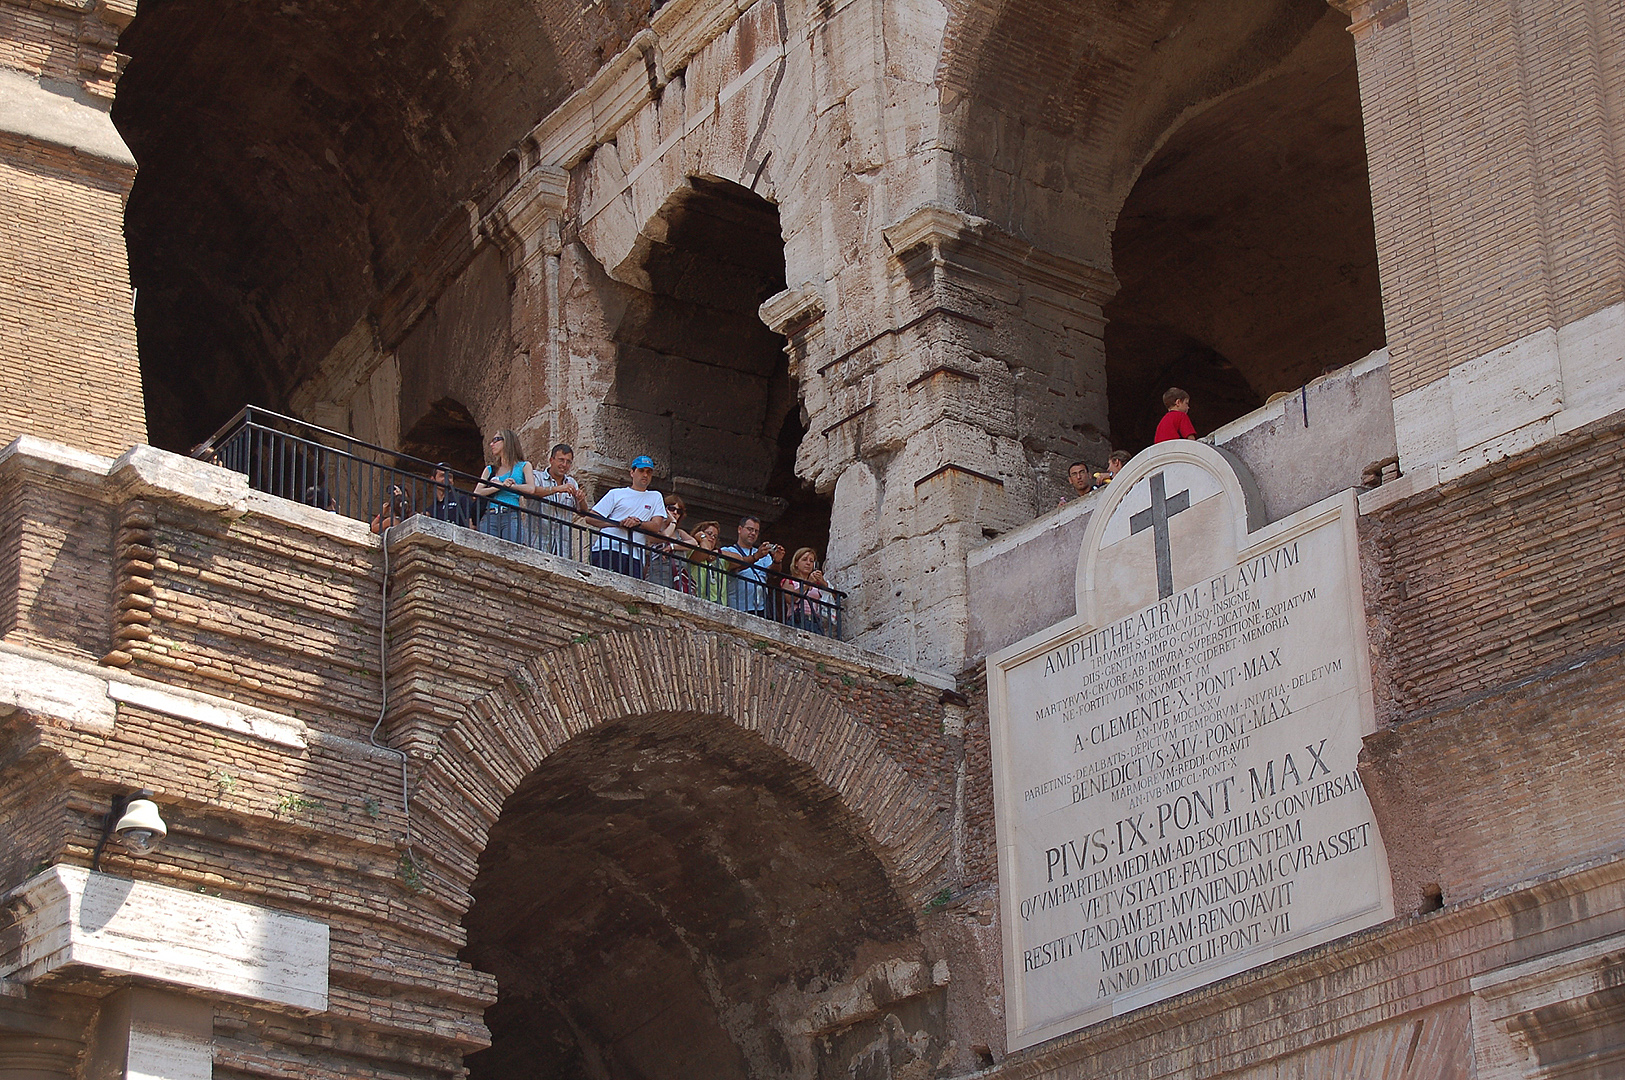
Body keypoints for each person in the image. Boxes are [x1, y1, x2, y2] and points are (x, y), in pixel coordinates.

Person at [587, 455, 666, 578]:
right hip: (608, 548)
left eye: (649, 472)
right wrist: (619, 523)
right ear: (632, 472)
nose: (645, 475)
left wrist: (639, 523)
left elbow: (656, 526)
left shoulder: (655, 496)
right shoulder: (616, 493)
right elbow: (590, 517)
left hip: (634, 554)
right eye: (641, 471)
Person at [474, 429, 537, 544]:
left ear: (507, 441)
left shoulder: (524, 466)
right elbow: (477, 492)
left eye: (496, 440)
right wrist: (499, 487)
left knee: (511, 552)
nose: (491, 444)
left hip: (511, 514)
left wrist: (511, 486)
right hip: (490, 515)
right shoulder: (490, 469)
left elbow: (531, 488)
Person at [722, 516, 782, 617]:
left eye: (756, 531)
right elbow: (735, 565)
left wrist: (777, 561)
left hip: (761, 608)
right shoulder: (728, 551)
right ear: (740, 529)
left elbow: (773, 574)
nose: (753, 533)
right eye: (750, 529)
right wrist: (756, 556)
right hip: (738, 606)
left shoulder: (764, 554)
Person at [532, 443, 584, 557]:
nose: (564, 465)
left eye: (568, 462)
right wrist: (557, 489)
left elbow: (582, 512)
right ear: (551, 460)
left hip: (562, 546)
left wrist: (581, 499)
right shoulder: (537, 476)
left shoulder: (572, 482)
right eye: (561, 460)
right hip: (538, 541)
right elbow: (533, 491)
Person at [648, 495, 696, 592]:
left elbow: (694, 543)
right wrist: (672, 523)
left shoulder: (679, 533)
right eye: (672, 509)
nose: (675, 513)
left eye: (679, 511)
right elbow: (664, 536)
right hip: (658, 573)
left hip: (677, 577)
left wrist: (672, 546)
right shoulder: (655, 528)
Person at [780, 547, 831, 634]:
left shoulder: (817, 585)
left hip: (815, 621)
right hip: (797, 619)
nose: (808, 563)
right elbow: (790, 599)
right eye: (804, 559)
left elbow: (833, 598)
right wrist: (808, 584)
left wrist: (823, 582)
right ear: (796, 563)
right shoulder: (789, 581)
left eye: (811, 561)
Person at [686, 520, 728, 604]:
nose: (712, 538)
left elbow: (740, 559)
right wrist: (702, 537)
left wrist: (719, 552)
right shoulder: (691, 550)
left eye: (715, 537)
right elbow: (705, 550)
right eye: (709, 534)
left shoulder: (718, 559)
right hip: (695, 600)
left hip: (718, 604)